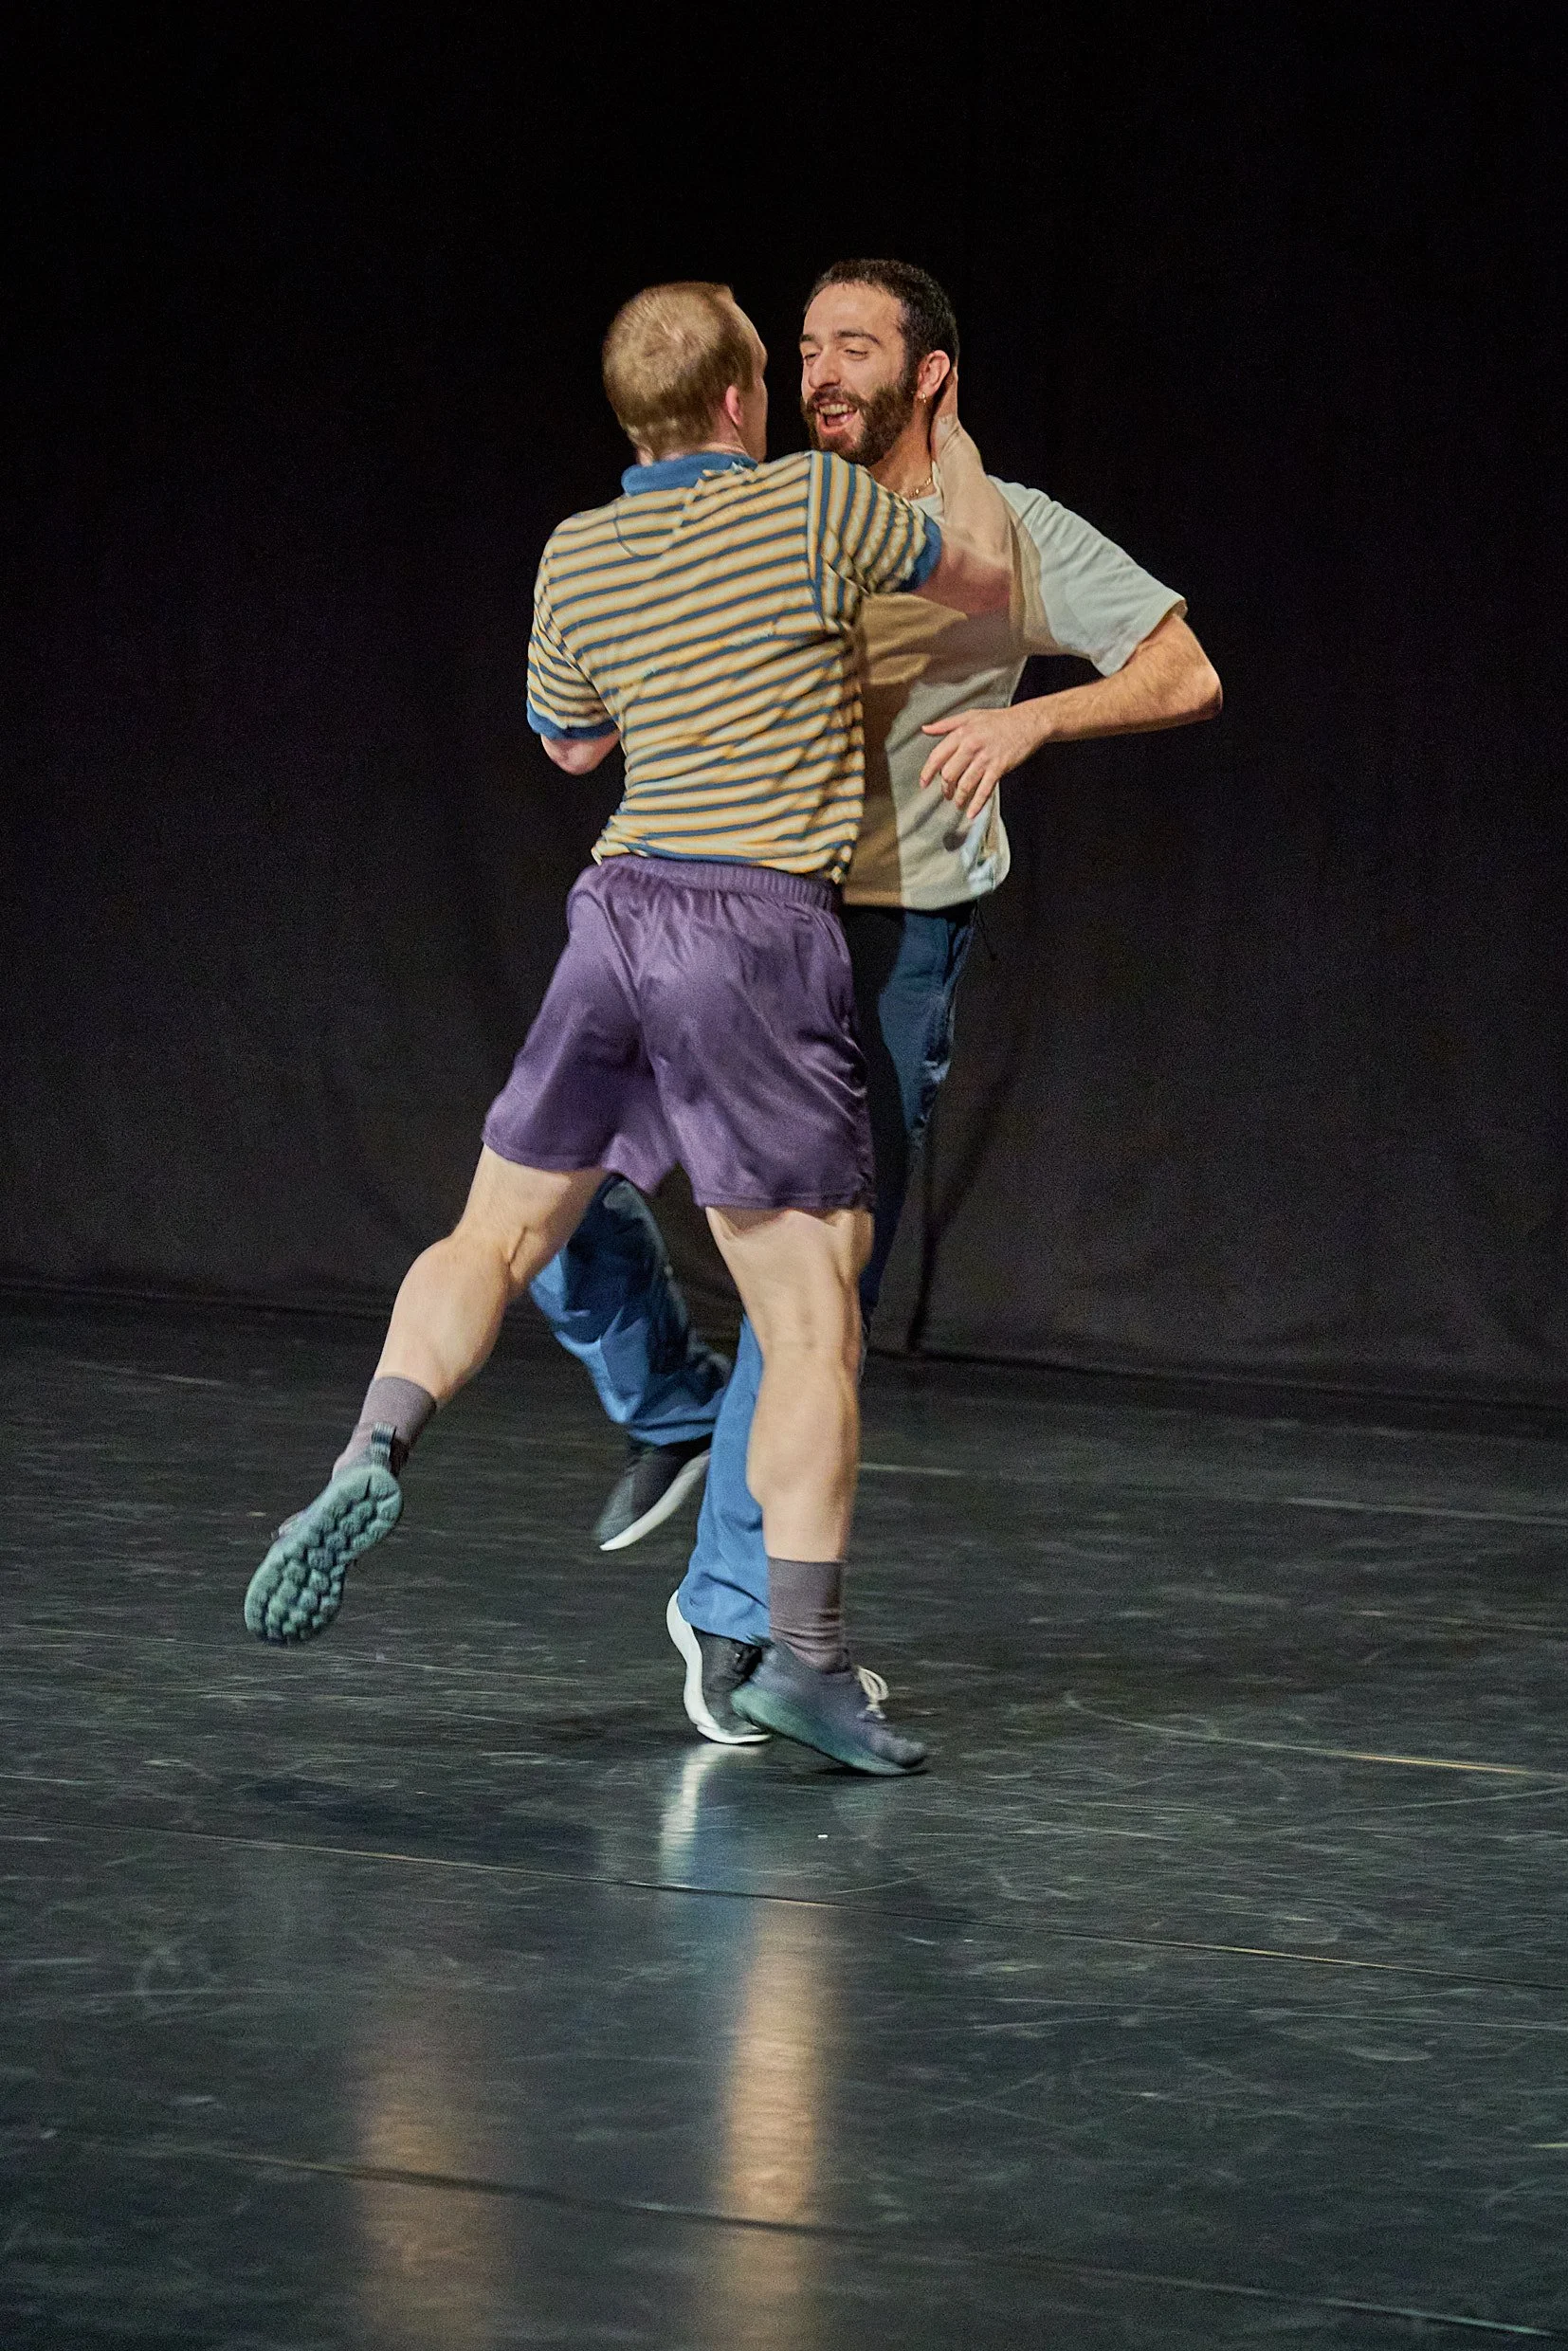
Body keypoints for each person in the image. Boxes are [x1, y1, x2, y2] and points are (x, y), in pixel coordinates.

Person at [242, 281, 1012, 1776]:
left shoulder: (576, 549)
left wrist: (673, 676)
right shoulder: (810, 504)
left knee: (491, 1236)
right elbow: (977, 584)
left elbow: (570, 741)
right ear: (736, 400)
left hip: (619, 912)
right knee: (810, 1321)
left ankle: (370, 1446)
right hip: (754, 930)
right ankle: (803, 1662)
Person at [524, 260, 1222, 1747]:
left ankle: (732, 1617)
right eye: (803, 348)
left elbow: (1182, 671)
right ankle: (663, 1408)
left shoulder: (1008, 528)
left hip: (885, 937)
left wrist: (1033, 718)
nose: (821, 372)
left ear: (929, 374)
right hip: (712, 910)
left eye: (854, 346)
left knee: (811, 1296)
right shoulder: (772, 510)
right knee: (549, 1193)